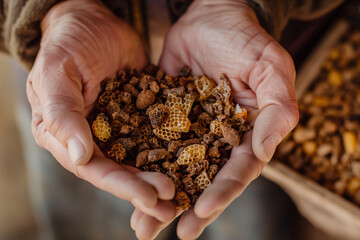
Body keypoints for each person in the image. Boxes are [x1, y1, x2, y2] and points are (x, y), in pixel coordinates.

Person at [0, 0, 343, 239]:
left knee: (248, 209)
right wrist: (51, 9)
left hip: (257, 54)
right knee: (90, 206)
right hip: (82, 85)